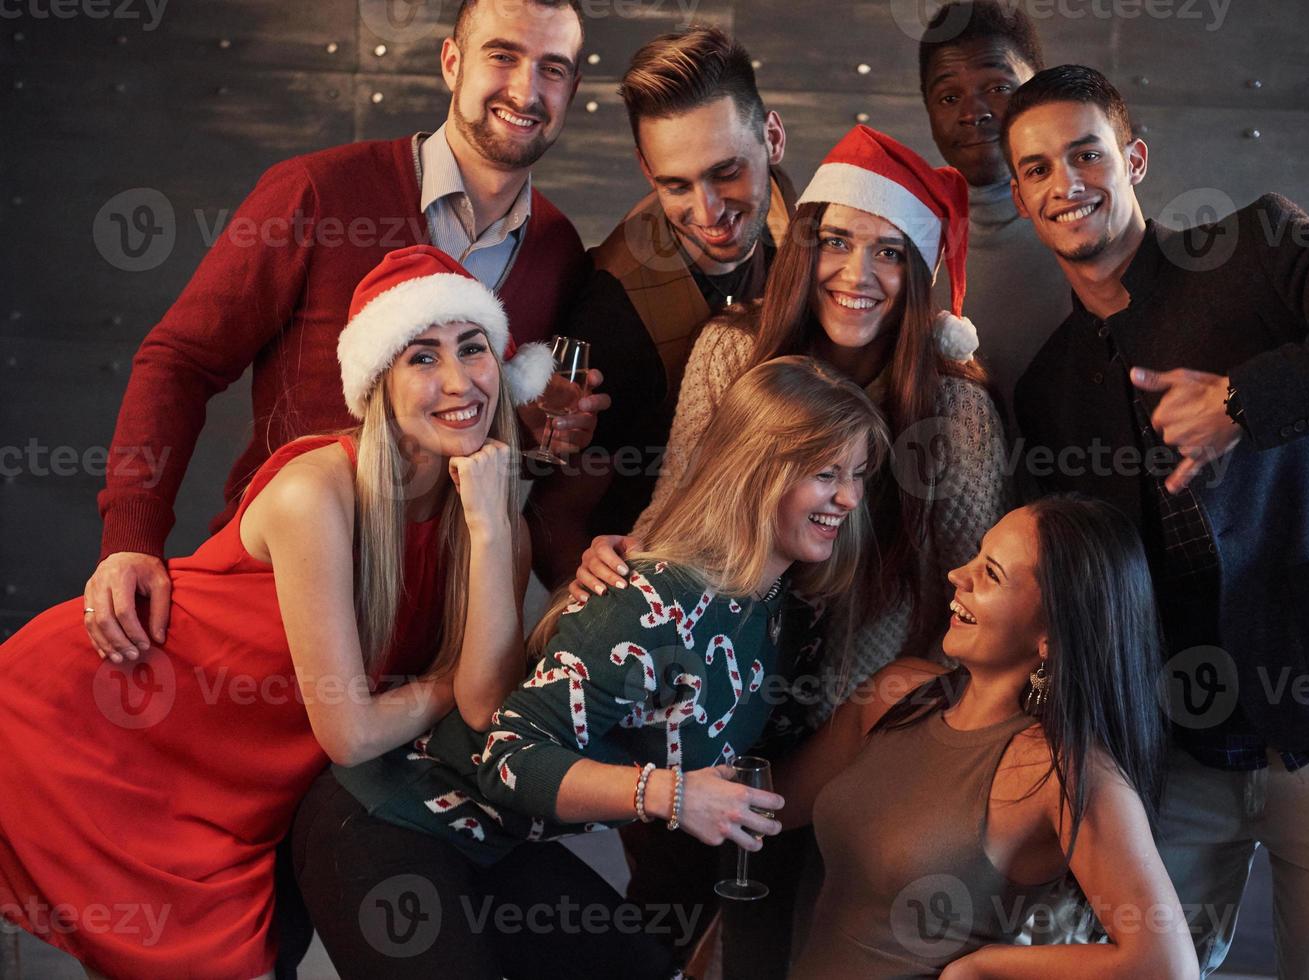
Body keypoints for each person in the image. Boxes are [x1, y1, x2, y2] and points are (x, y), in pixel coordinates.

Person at [1003, 65, 1309, 976]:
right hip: (1177, 747)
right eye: (1037, 169)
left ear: (1132, 159)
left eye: (1086, 154)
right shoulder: (1049, 386)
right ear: (1019, 195)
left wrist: (1244, 402)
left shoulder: (1255, 248)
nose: (1067, 185)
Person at [0, 244, 547, 978]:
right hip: (92, 720)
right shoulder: (315, 491)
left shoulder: (494, 516)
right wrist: (450, 677)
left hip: (234, 784)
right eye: (421, 357)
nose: (459, 382)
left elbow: (485, 708)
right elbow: (353, 732)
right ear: (377, 384)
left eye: (472, 348)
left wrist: (487, 528)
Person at [289, 355, 890, 978]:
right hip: (389, 817)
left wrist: (876, 716)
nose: (848, 497)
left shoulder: (771, 614)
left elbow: (751, 795)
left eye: (858, 474)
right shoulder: (654, 599)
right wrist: (671, 794)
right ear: (756, 473)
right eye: (826, 474)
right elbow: (508, 757)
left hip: (498, 843)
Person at [574, 124, 1009, 974]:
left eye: (888, 252)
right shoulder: (733, 350)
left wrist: (891, 708)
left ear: (918, 275)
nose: (856, 274)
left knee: (781, 943)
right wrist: (618, 553)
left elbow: (967, 602)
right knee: (658, 929)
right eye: (836, 242)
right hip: (702, 706)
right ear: (802, 248)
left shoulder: (955, 415)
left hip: (849, 730)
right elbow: (677, 515)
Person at [86, 0, 597, 667]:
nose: (527, 90)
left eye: (552, 69)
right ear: (452, 61)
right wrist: (131, 534)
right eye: (503, 55)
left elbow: (472, 434)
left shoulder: (558, 249)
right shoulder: (317, 193)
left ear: (573, 89)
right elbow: (180, 360)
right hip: (270, 603)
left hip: (426, 631)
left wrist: (545, 437)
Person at [784, 496, 1198, 979]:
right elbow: (765, 802)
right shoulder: (896, 693)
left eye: (992, 573)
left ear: (1052, 633)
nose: (958, 575)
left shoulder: (1058, 769)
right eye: (977, 556)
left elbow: (1167, 967)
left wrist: (981, 969)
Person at [530, 25, 798, 588]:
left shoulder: (807, 232)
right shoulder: (615, 314)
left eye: (727, 172)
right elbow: (557, 516)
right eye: (676, 185)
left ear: (772, 138)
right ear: (646, 170)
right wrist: (596, 622)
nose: (708, 211)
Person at [919, 0, 1071, 429]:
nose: (973, 113)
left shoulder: (1086, 228)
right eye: (950, 96)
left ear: (1036, 89)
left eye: (999, 88)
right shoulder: (903, 239)